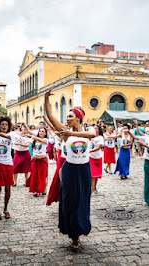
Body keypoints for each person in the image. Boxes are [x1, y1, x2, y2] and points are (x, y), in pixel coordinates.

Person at [44, 88, 95, 251]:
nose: (67, 119)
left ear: (78, 119)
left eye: (70, 116)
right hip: (70, 170)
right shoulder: (65, 133)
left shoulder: (88, 131)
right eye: (67, 116)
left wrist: (70, 134)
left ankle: (79, 230)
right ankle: (74, 235)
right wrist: (46, 99)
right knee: (70, 201)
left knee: (82, 200)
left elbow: (92, 134)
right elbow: (51, 116)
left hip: (84, 170)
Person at [27, 126, 49, 197]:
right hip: (35, 159)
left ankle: (44, 189)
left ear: (45, 133)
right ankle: (35, 190)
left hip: (42, 160)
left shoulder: (46, 140)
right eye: (40, 131)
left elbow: (42, 141)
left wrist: (32, 136)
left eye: (43, 131)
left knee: (43, 175)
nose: (41, 132)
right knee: (34, 175)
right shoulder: (35, 140)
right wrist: (25, 126)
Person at [89, 125, 104, 193]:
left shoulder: (100, 138)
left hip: (97, 157)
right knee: (92, 173)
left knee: (97, 174)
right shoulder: (90, 137)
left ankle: (94, 187)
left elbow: (98, 147)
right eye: (93, 129)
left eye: (96, 129)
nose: (94, 130)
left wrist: (90, 151)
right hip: (90, 157)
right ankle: (92, 187)